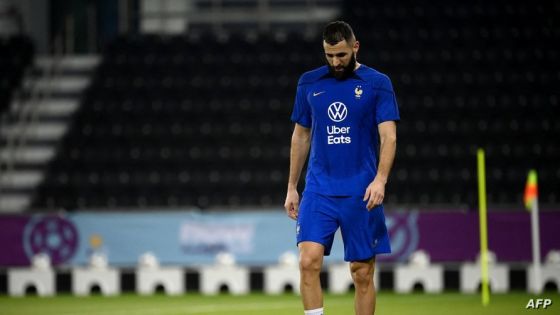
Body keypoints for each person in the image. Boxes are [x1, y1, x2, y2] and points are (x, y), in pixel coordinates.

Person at [284, 21, 400, 315]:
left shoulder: (378, 83)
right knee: (308, 261)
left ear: (355, 47)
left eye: (342, 55)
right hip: (319, 190)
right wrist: (291, 187)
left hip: (361, 192)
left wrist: (380, 180)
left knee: (362, 272)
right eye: (329, 55)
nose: (335, 62)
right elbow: (301, 135)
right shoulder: (309, 83)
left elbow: (389, 136)